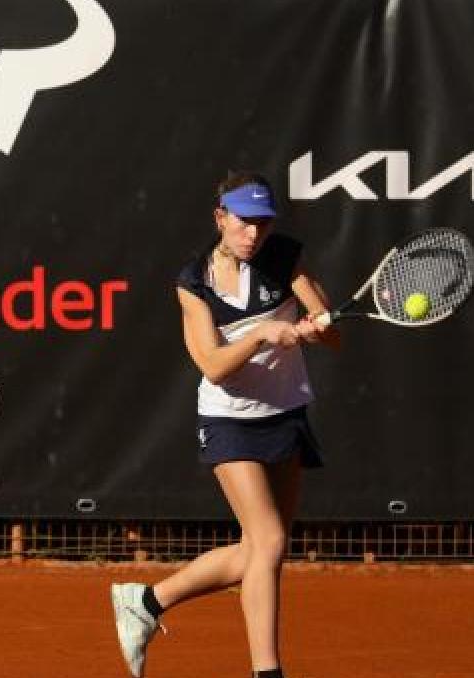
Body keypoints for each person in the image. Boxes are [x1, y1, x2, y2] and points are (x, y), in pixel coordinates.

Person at [110, 171, 340, 678]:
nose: (253, 233)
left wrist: (316, 327)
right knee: (269, 542)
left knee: (261, 551)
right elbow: (213, 365)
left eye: (263, 223)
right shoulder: (194, 283)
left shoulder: (286, 258)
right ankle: (267, 672)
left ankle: (145, 602)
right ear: (221, 218)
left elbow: (330, 330)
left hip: (285, 414)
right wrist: (262, 333)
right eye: (243, 221)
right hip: (229, 420)